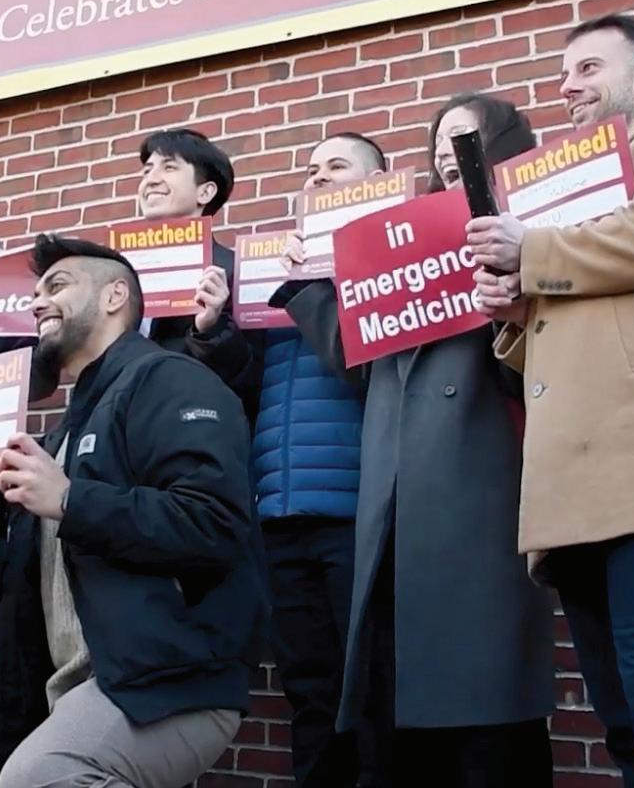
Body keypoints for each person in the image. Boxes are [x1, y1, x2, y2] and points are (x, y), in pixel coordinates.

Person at [468, 13, 634, 787]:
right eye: (565, 74)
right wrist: (514, 312)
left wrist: (532, 251)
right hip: (570, 479)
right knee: (622, 714)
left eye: (589, 68)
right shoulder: (565, 188)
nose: (568, 86)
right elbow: (564, 322)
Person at [273, 94, 555, 787]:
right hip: (397, 510)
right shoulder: (403, 249)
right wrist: (311, 282)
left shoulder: (535, 232)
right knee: (397, 711)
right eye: (438, 150)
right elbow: (361, 358)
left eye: (463, 144)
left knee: (486, 724)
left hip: (482, 496)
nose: (448, 160)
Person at [0, 234, 266, 788]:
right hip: (86, 687)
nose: (37, 302)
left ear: (114, 297)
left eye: (56, 286)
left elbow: (213, 523)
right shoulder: (66, 429)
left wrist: (70, 499)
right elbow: (22, 585)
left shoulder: (170, 378)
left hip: (169, 681)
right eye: (35, 292)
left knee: (41, 775)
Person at [251, 133, 385, 788]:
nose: (318, 177)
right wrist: (213, 331)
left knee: (372, 691)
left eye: (336, 166)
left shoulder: (388, 259)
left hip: (356, 511)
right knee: (308, 692)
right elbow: (244, 383)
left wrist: (316, 285)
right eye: (310, 170)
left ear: (378, 183)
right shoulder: (271, 271)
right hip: (280, 514)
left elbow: (367, 364)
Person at [131, 128, 258, 404]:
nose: (151, 179)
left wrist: (211, 330)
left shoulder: (236, 271)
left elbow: (250, 379)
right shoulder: (119, 271)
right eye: (147, 170)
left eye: (169, 167)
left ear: (206, 191)